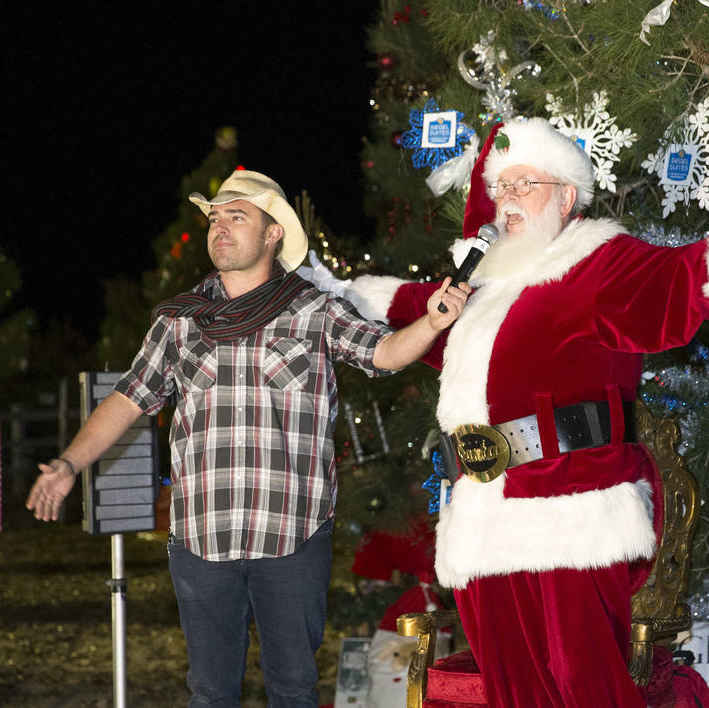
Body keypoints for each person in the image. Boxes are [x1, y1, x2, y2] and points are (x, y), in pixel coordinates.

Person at [313, 118, 709, 706]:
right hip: (482, 523)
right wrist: (324, 292)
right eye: (501, 187)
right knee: (512, 691)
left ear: (566, 196)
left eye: (525, 184)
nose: (507, 199)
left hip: (570, 516)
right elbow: (402, 307)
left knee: (584, 688)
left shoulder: (599, 263)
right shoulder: (480, 287)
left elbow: (680, 281)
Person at [25, 169, 471, 707]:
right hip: (201, 538)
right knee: (210, 692)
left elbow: (384, 353)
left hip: (293, 535)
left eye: (237, 217)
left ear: (272, 233)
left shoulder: (314, 310)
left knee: (293, 690)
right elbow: (127, 399)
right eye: (215, 218)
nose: (220, 227)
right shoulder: (179, 321)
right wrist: (69, 463)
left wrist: (431, 323)